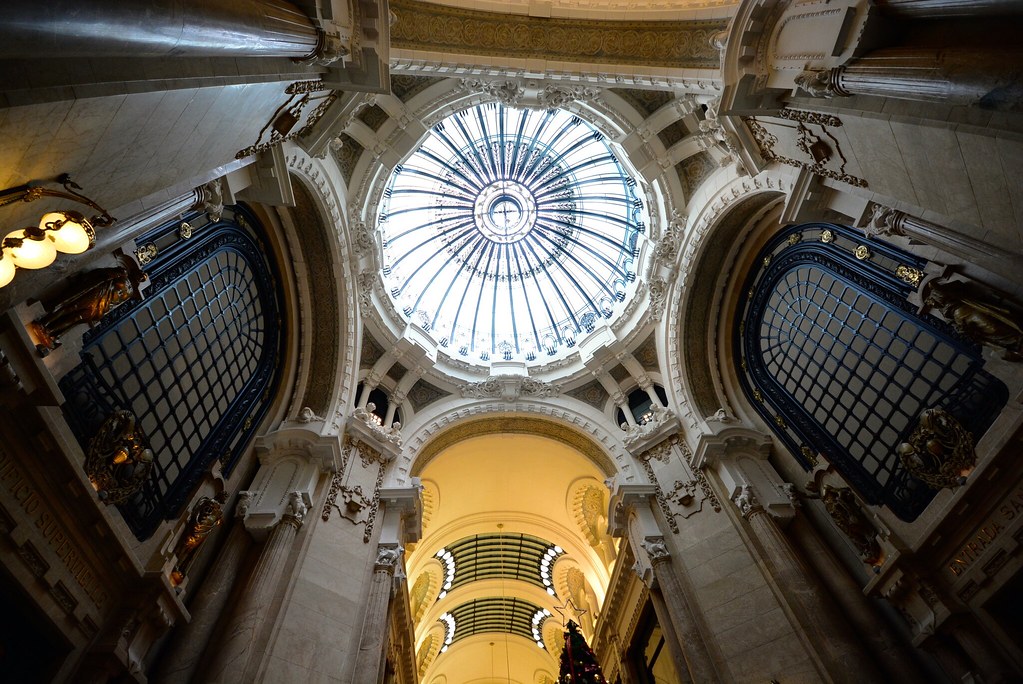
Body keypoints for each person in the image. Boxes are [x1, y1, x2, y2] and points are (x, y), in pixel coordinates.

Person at [33, 267, 135, 349]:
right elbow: (101, 274)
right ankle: (44, 323)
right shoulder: (122, 274)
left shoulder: (130, 292)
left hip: (101, 305)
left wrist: (102, 310)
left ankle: (50, 331)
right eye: (140, 274)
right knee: (69, 307)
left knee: (76, 318)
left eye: (142, 277)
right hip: (97, 293)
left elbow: (115, 302)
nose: (141, 277)